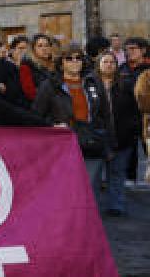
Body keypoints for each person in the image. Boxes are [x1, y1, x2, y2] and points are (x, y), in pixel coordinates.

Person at [33, 47, 111, 203]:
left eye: (78, 58)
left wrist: (109, 143)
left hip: (91, 144)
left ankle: (84, 226)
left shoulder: (93, 82)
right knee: (65, 191)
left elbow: (106, 115)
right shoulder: (49, 86)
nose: (75, 62)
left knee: (87, 192)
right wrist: (53, 126)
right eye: (69, 58)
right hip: (62, 146)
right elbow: (36, 116)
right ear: (61, 63)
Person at [90, 50, 139, 216]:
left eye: (112, 62)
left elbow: (135, 110)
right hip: (97, 138)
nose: (109, 64)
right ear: (99, 64)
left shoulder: (126, 84)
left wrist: (133, 131)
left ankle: (116, 206)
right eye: (105, 62)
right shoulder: (89, 83)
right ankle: (91, 209)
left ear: (116, 65)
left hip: (122, 137)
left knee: (117, 174)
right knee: (94, 176)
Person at [18, 33, 57, 102]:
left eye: (47, 45)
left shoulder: (56, 65)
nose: (44, 49)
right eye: (40, 46)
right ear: (33, 49)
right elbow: (31, 94)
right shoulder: (26, 66)